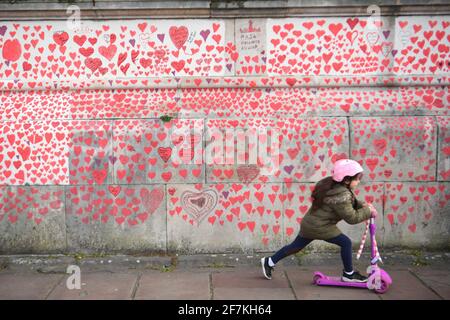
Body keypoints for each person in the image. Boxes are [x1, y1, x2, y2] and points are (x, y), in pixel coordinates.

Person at [261, 159, 377, 282]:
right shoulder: (341, 195)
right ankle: (348, 274)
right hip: (320, 227)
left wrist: (362, 205)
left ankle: (269, 261)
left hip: (311, 223)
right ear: (347, 179)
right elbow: (352, 218)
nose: (359, 181)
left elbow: (348, 203)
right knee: (346, 242)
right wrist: (368, 212)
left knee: (295, 247)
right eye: (357, 178)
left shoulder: (331, 184)